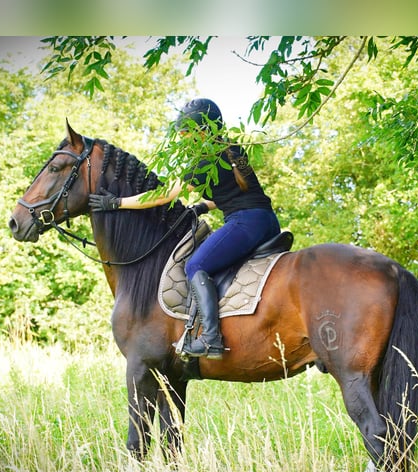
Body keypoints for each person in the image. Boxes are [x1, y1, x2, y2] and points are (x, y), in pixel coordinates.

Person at [89, 98, 281, 359]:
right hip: (266, 220)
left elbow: (164, 195)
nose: (182, 139)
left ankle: (211, 338)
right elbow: (230, 192)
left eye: (185, 133)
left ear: (202, 130)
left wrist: (117, 203)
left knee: (195, 266)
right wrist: (203, 207)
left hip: (245, 222)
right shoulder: (231, 151)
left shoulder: (206, 159)